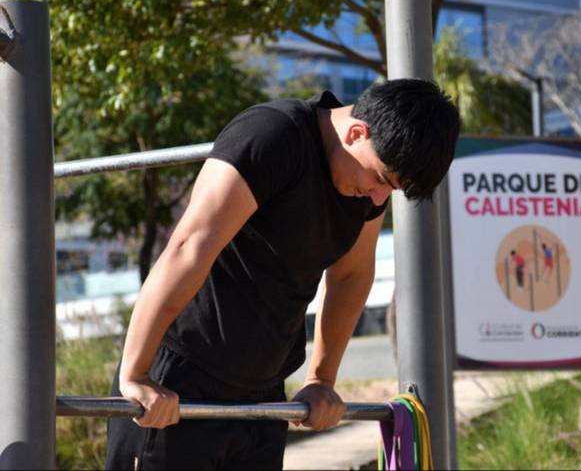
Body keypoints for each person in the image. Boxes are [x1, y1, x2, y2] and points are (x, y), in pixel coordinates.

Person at [105, 79, 460, 469]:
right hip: (178, 379)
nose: (378, 199)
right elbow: (189, 247)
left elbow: (351, 277)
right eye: (381, 180)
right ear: (357, 132)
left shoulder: (366, 186)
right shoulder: (272, 136)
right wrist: (136, 374)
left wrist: (321, 380)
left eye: (390, 191)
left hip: (263, 395)